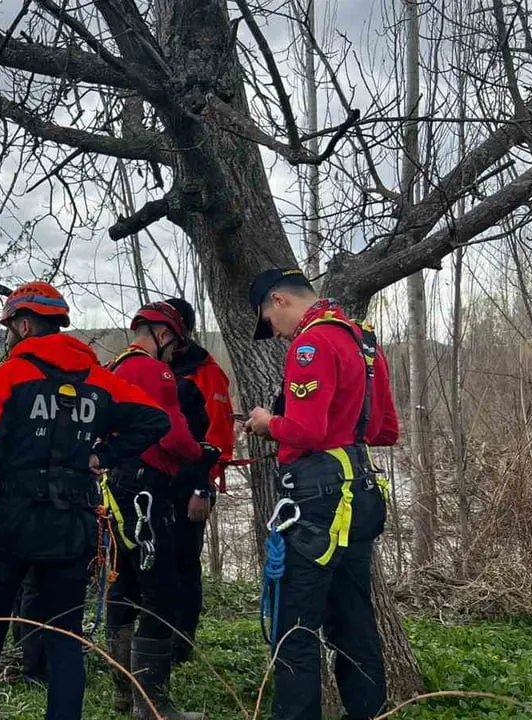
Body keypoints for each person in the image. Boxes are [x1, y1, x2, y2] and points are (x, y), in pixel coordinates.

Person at [0, 281, 171, 720]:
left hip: (7, 521)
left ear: (25, 324)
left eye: (10, 327)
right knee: (65, 636)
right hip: (72, 524)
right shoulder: (100, 381)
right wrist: (101, 455)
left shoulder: (11, 376)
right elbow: (155, 419)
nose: (8, 337)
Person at [242, 269, 399, 720]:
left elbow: (307, 431)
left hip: (317, 501)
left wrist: (268, 423)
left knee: (294, 626)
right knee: (353, 620)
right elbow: (385, 430)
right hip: (360, 492)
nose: (273, 330)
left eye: (269, 319)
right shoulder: (362, 341)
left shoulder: (310, 344)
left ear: (279, 300)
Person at [103, 301, 215, 720]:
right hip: (144, 490)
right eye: (174, 346)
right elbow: (173, 431)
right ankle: (152, 707)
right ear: (165, 335)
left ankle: (125, 693)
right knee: (161, 591)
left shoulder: (113, 368)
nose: (173, 356)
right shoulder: (154, 371)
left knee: (125, 583)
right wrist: (200, 455)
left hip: (116, 488)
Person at [162, 297, 234, 666]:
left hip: (190, 485)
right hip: (149, 486)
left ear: (183, 332)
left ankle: (181, 643)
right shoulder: (145, 366)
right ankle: (152, 638)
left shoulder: (207, 373)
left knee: (184, 565)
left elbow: (220, 437)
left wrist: (203, 488)